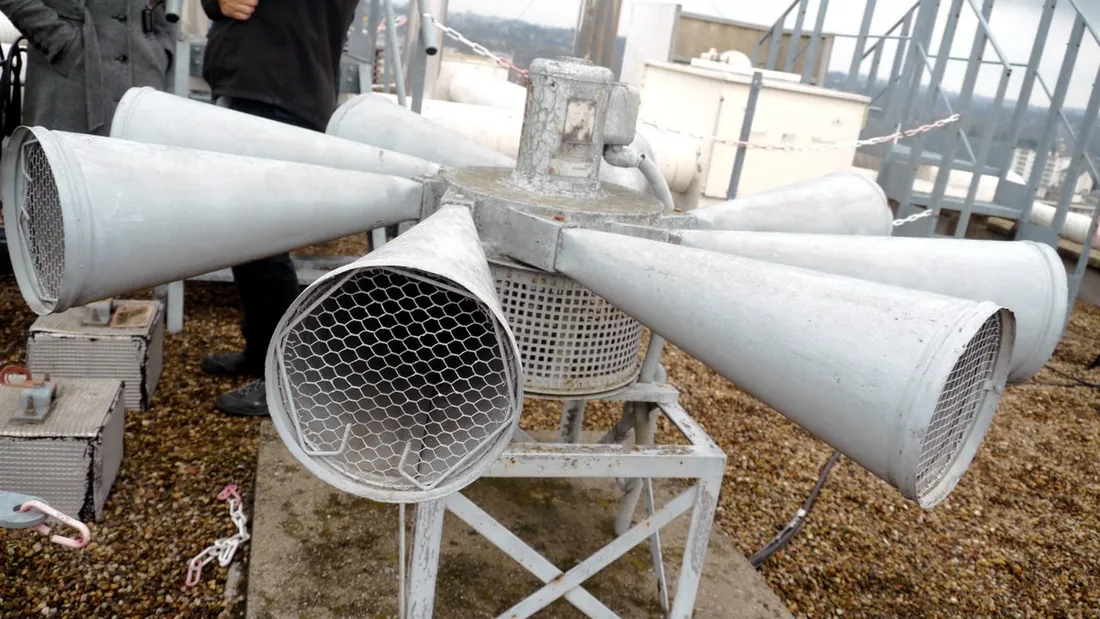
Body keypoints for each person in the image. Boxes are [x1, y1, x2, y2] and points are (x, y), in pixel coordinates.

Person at [199, 0, 359, 417]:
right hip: (257, 83)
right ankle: (260, 353)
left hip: (281, 89)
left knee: (263, 238)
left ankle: (282, 377)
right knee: (244, 235)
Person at [0, 0, 175, 135]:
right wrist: (60, 42)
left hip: (144, 73)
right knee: (60, 175)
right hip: (69, 78)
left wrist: (163, 46)